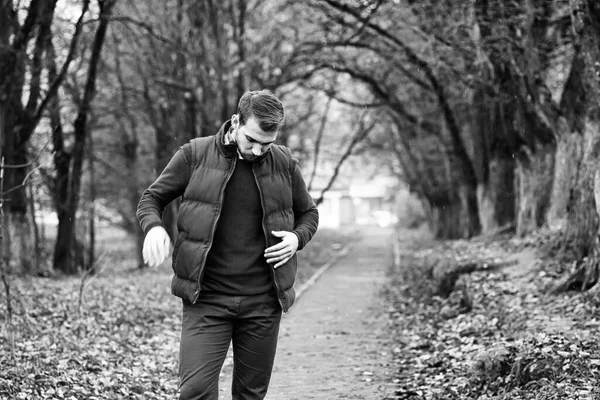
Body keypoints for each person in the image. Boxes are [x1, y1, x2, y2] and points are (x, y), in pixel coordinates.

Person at [136, 89, 319, 400]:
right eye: (252, 140)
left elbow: (308, 214)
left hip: (262, 302)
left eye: (267, 144)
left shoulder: (284, 163)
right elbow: (151, 198)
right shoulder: (195, 155)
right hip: (206, 300)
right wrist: (153, 228)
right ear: (236, 122)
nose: (259, 151)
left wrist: (296, 238)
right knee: (195, 392)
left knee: (250, 395)